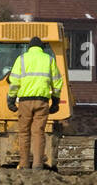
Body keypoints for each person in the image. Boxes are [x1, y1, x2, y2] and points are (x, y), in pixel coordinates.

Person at [5, 36, 62, 169]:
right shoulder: (49, 59)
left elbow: (14, 82)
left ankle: (24, 164)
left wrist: (11, 99)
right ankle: (37, 165)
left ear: (30, 48)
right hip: (42, 102)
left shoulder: (22, 59)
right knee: (38, 132)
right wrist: (55, 101)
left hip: (25, 102)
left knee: (24, 132)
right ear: (41, 48)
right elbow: (57, 82)